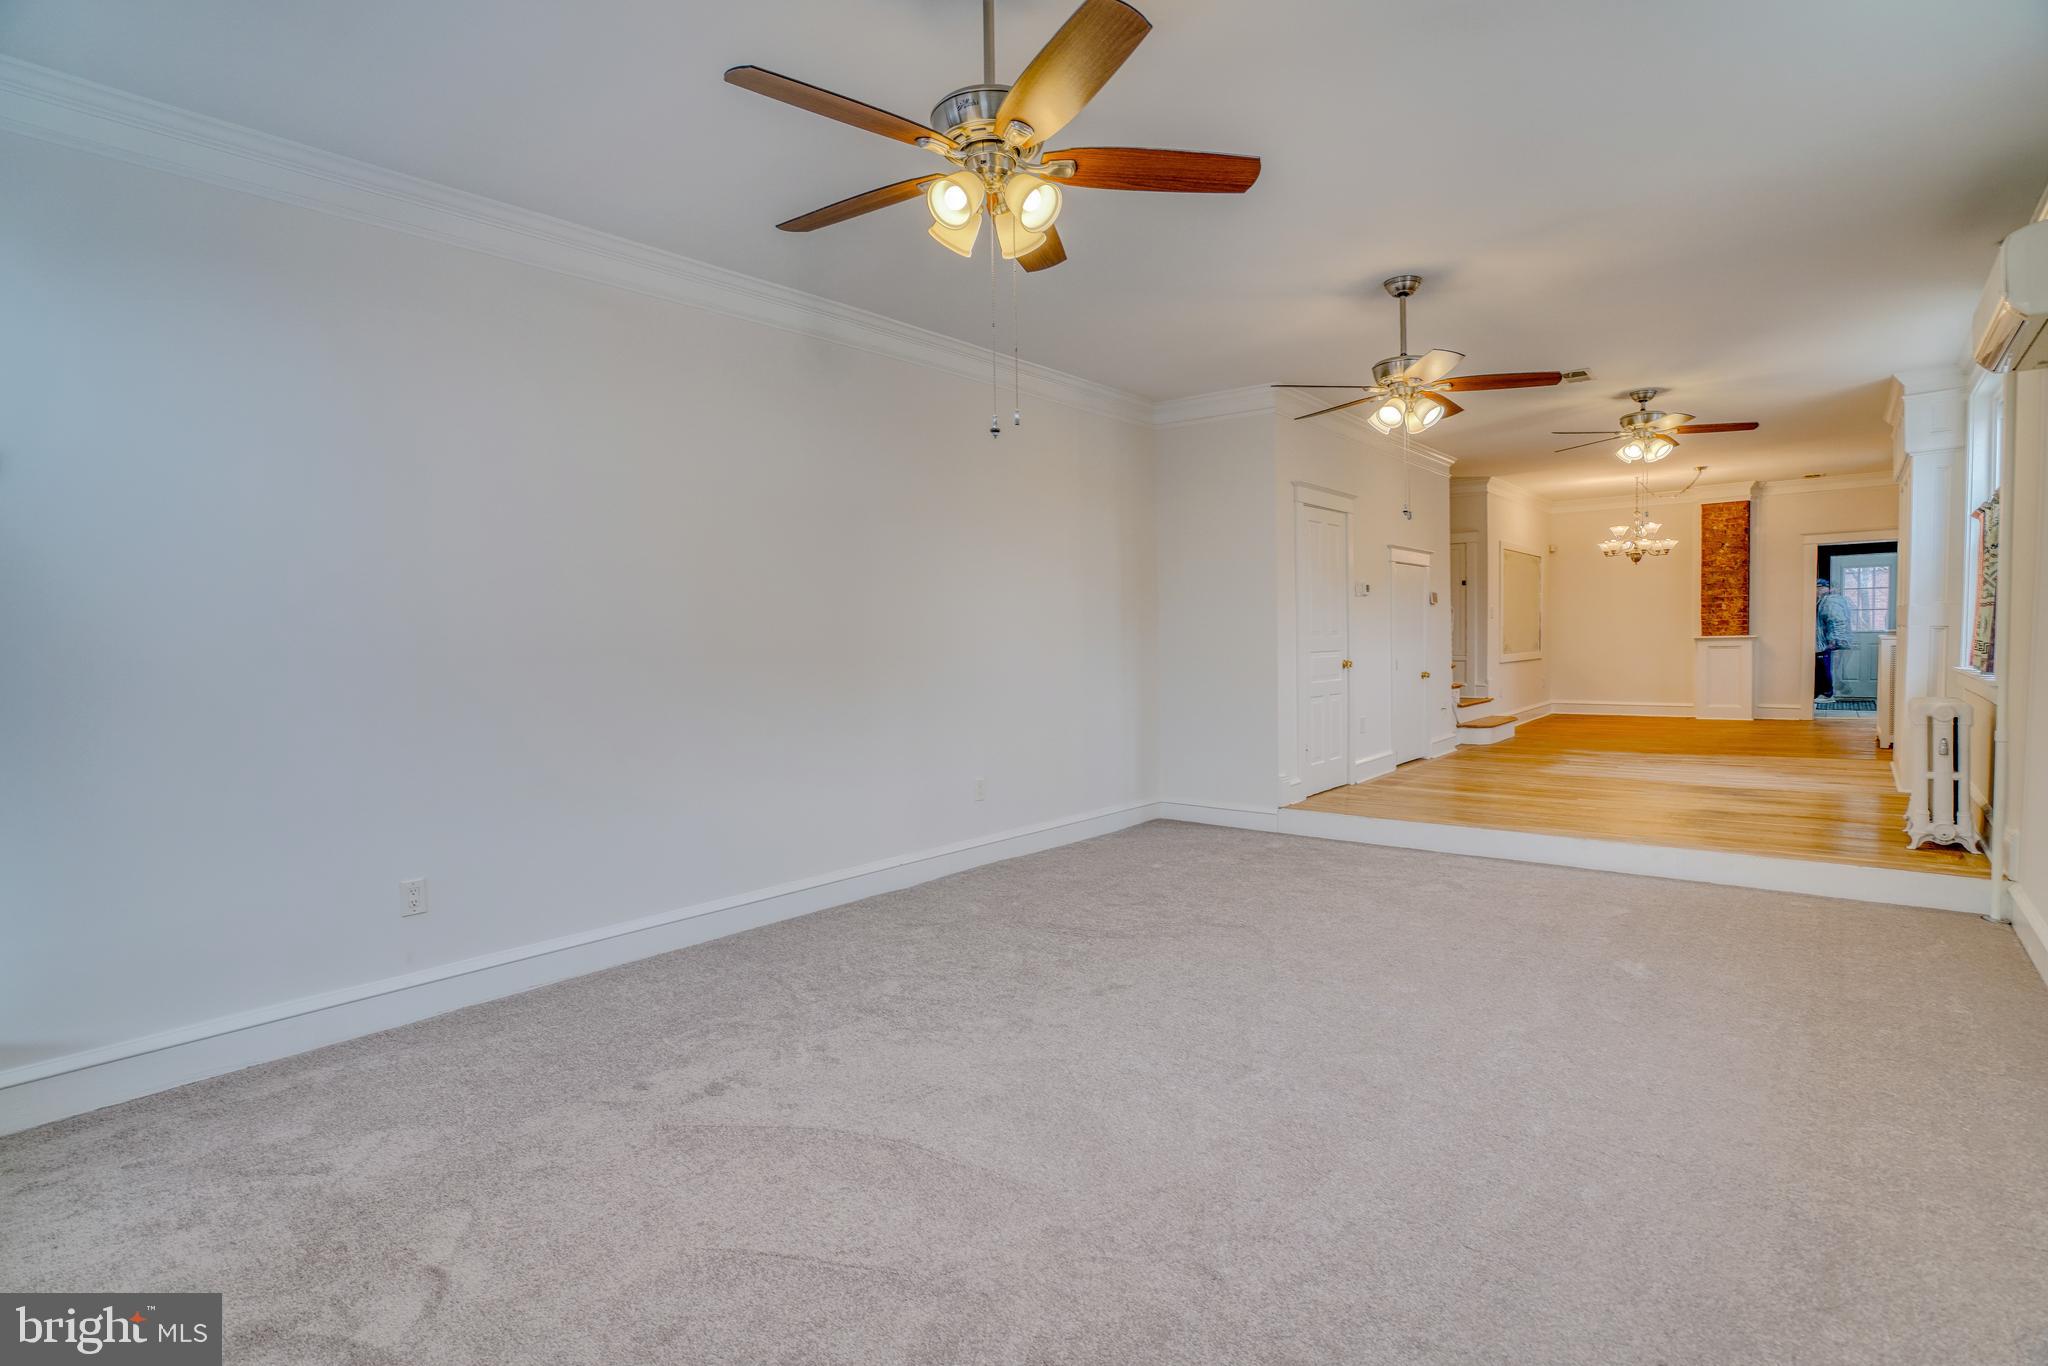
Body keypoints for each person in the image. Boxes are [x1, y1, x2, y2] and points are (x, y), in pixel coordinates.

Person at [1815, 578, 1854, 701]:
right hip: (1828, 641)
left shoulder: (1830, 601)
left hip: (1830, 642)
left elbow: (1837, 621)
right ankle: (1836, 689)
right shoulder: (1825, 600)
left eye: (1819, 588)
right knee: (1826, 667)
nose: (1817, 591)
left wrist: (1834, 641)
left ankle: (1827, 694)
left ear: (1825, 588)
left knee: (1825, 667)